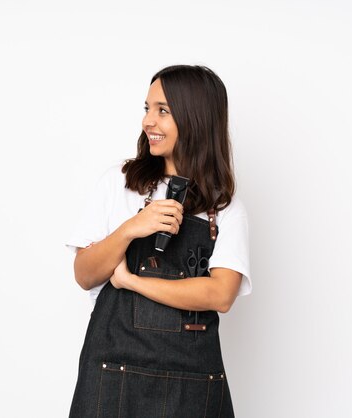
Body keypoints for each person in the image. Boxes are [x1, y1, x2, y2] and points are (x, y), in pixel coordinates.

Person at [66, 65, 251, 417]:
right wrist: (132, 228)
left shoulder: (224, 207)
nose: (148, 121)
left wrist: (133, 281)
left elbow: (221, 294)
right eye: (147, 108)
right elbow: (84, 273)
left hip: (192, 383)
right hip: (113, 374)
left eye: (162, 111)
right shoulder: (120, 182)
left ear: (195, 118)